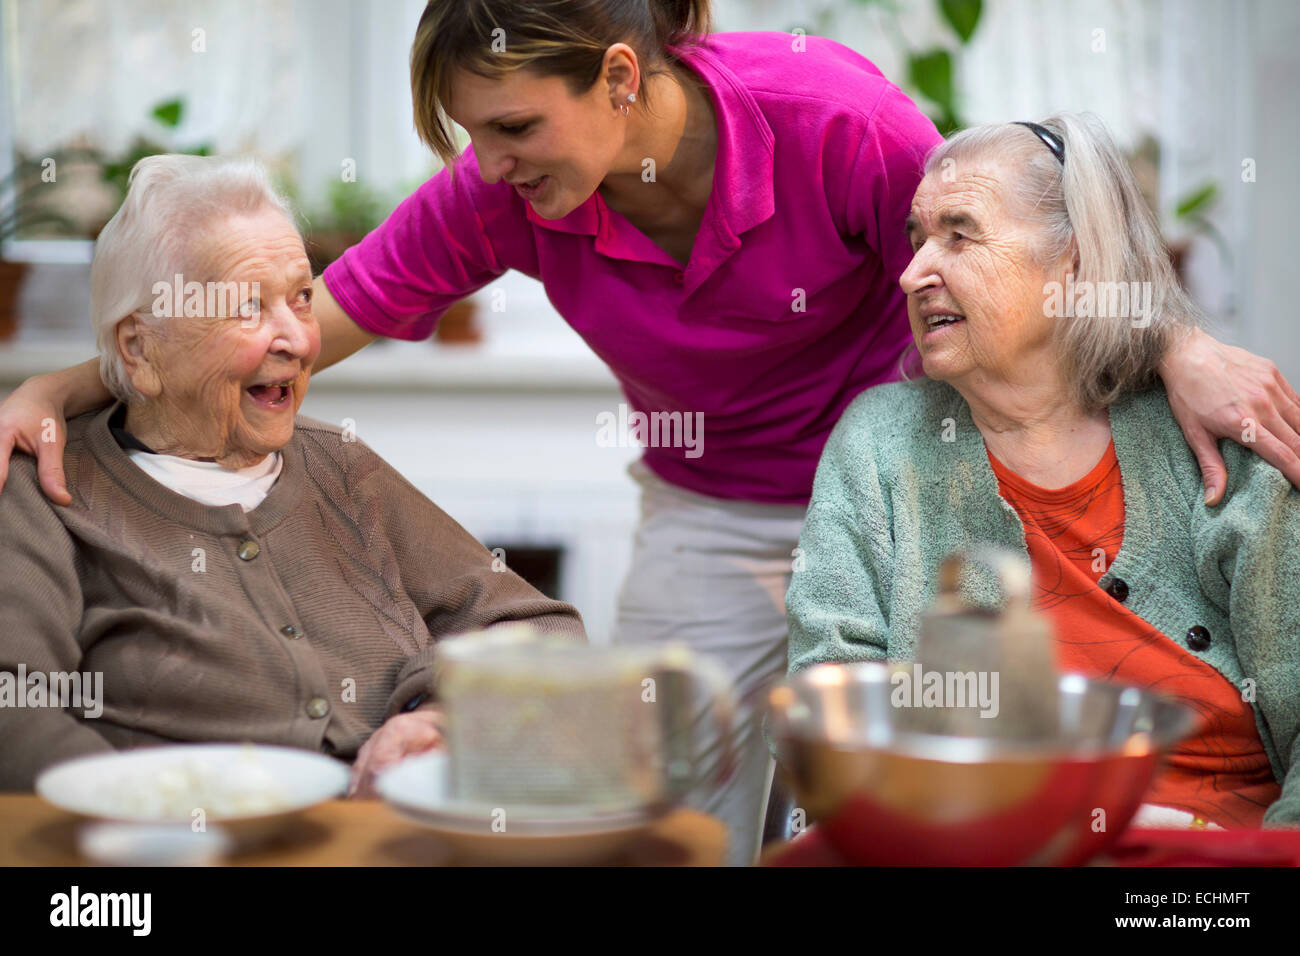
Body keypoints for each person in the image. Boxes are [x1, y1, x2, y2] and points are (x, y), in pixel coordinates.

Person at [2, 3, 1297, 862]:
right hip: (714, 508)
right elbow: (295, 321)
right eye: (471, 137)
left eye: (514, 125)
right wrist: (69, 387)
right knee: (655, 809)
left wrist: (1173, 340)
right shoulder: (503, 193)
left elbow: (1018, 239)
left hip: (920, 482)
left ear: (620, 78)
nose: (489, 162)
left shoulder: (834, 120)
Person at [0, 155, 584, 795]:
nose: (301, 341)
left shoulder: (342, 466)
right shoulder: (49, 488)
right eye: (249, 307)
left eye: (302, 298)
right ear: (139, 349)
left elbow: (535, 627)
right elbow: (16, 713)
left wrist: (439, 717)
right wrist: (160, 815)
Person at [786, 113, 1300, 828]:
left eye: (959, 235)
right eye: (916, 239)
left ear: (1076, 262)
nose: (911, 274)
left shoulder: (1213, 435)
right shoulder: (879, 446)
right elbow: (831, 699)